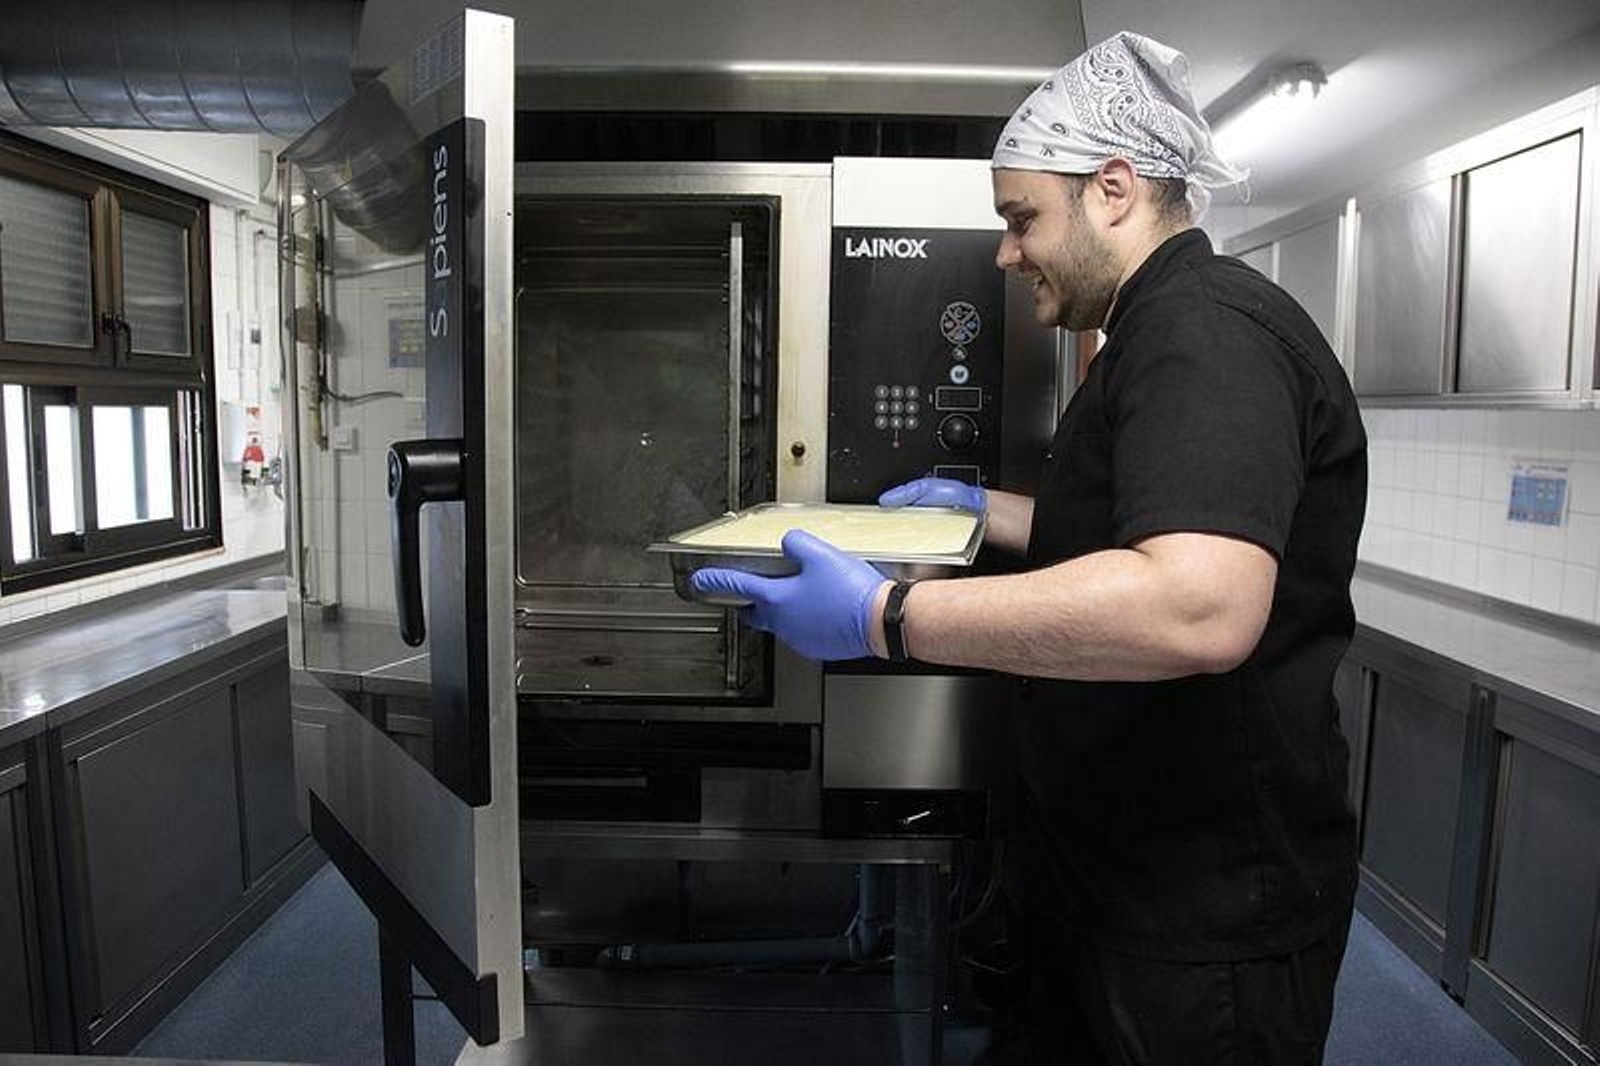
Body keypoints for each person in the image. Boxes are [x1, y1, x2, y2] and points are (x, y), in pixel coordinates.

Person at [692, 30, 1367, 1065]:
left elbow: (1195, 603)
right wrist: (977, 512)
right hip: (1117, 875)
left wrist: (887, 617)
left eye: (1020, 219)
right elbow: (1132, 528)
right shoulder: (1155, 331)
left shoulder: (1206, 332)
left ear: (1112, 188)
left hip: (1198, 918)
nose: (1008, 253)